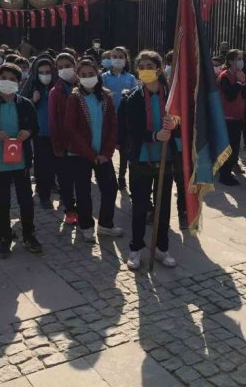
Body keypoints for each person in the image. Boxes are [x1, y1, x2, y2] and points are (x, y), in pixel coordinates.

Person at [0, 62, 42, 258]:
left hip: (21, 162)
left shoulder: (26, 104)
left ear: (19, 83)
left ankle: (28, 234)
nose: (7, 82)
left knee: (25, 200)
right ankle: (4, 237)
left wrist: (28, 132)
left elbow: (35, 128)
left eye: (12, 79)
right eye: (3, 78)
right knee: (1, 201)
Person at [124, 51, 178, 270]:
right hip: (142, 160)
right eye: (142, 66)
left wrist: (174, 126)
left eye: (150, 66)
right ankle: (136, 248)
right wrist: (155, 136)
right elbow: (132, 130)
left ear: (159, 68)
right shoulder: (134, 98)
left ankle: (161, 247)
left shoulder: (171, 96)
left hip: (165, 159)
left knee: (163, 207)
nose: (145, 70)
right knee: (139, 207)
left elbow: (183, 123)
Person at [67, 59, 123, 242]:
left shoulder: (106, 96)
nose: (87, 77)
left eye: (91, 74)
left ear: (97, 74)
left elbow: (113, 125)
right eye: (83, 75)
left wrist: (106, 153)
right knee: (83, 191)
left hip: (103, 154)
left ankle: (106, 224)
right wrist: (91, 154)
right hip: (80, 154)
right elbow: (71, 129)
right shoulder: (74, 98)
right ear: (78, 77)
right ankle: (86, 225)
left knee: (110, 187)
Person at [20, 55, 57, 209]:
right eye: (41, 72)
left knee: (56, 164)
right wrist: (33, 100)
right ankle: (44, 195)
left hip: (57, 133)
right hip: (40, 133)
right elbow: (22, 106)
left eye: (48, 72)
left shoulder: (58, 87)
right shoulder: (32, 87)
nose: (45, 75)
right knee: (42, 166)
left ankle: (54, 185)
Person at [49, 53, 79, 225]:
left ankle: (82, 209)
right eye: (60, 67)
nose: (64, 69)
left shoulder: (84, 86)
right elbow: (53, 121)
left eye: (67, 65)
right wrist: (57, 146)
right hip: (64, 143)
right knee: (65, 180)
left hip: (83, 142)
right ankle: (70, 209)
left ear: (75, 65)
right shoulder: (56, 92)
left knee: (81, 179)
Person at [102, 46, 137, 190]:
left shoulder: (131, 78)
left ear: (126, 59)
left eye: (120, 57)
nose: (117, 59)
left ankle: (121, 176)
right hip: (108, 117)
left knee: (124, 149)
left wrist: (129, 93)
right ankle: (107, 174)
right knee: (108, 146)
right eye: (114, 56)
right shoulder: (104, 77)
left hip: (125, 119)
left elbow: (135, 95)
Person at [217, 49, 246, 185]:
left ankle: (228, 171)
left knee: (235, 147)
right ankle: (224, 175)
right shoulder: (225, 75)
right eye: (238, 59)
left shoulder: (240, 74)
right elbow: (230, 95)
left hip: (237, 116)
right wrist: (239, 83)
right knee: (228, 147)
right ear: (230, 61)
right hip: (227, 118)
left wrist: (243, 83)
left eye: (242, 58)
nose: (241, 61)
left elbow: (245, 94)